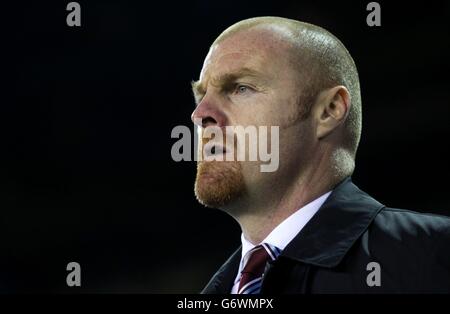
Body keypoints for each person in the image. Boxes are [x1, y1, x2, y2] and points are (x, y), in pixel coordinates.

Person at [190, 16, 450, 294]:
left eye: (241, 88)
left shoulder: (434, 256)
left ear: (329, 110)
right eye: (201, 95)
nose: (200, 114)